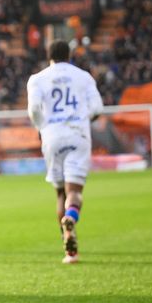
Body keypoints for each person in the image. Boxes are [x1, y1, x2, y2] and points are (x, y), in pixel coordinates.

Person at [27, 41, 103, 265]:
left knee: (60, 193)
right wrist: (82, 119)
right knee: (75, 192)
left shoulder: (37, 79)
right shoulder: (84, 77)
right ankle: (71, 218)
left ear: (48, 56)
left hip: (52, 136)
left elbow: (33, 110)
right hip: (78, 134)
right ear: (69, 55)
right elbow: (97, 109)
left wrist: (42, 127)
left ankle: (69, 249)